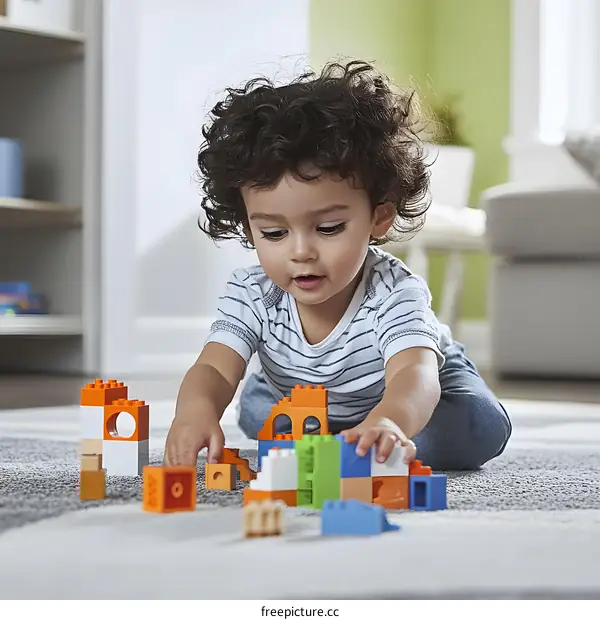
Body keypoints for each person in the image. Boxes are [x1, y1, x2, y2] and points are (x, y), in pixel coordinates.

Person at [164, 59, 512, 471]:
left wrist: (388, 421)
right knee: (257, 413)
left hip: (420, 390)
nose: (301, 252)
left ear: (378, 218)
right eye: (274, 234)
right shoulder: (252, 293)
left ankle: (365, 436)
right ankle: (343, 438)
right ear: (248, 226)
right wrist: (194, 411)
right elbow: (214, 370)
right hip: (304, 399)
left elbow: (413, 376)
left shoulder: (394, 290)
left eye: (328, 228)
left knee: (475, 428)